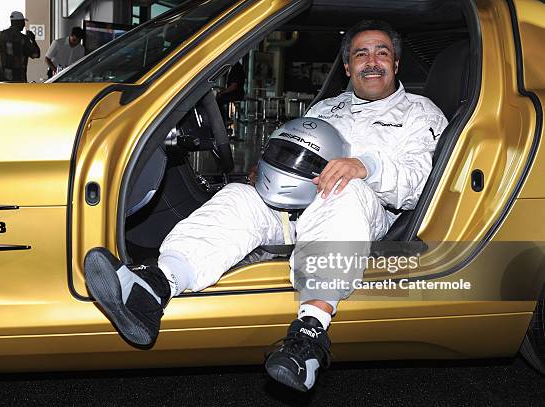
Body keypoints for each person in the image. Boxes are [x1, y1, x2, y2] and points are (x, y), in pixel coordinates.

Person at [84, 20, 448, 392]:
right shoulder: (326, 108)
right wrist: (269, 170)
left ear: (396, 64)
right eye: (361, 54)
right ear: (348, 67)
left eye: (381, 53)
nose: (372, 61)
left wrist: (365, 167)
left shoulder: (421, 114)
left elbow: (417, 185)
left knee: (345, 190)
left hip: (361, 213)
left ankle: (309, 336)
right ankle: (155, 288)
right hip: (295, 208)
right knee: (239, 197)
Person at [0, 11, 40, 82]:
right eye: (23, 22)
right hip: (17, 81)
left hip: (0, 80)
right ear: (19, 22)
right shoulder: (22, 39)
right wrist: (33, 39)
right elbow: (36, 54)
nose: (24, 25)